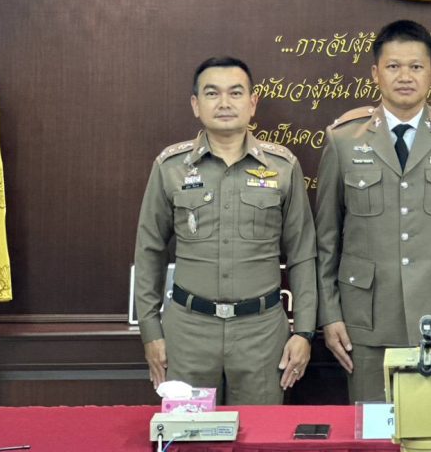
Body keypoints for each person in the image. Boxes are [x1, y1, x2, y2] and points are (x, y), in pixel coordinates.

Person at [315, 19, 431, 402]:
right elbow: (326, 240)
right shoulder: (342, 140)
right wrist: (330, 314)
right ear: (375, 73)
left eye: (416, 66)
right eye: (393, 66)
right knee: (373, 428)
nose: (405, 76)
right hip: (365, 320)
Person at [133, 56, 317, 405]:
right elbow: (149, 252)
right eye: (212, 93)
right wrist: (150, 331)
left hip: (261, 335)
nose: (224, 103)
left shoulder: (283, 166)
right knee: (188, 431)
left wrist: (304, 331)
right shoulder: (170, 167)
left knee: (260, 432)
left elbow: (303, 254)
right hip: (188, 333)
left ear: (252, 102)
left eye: (235, 93)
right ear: (195, 104)